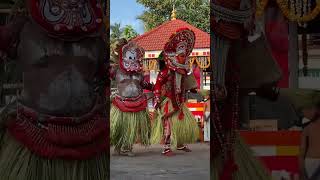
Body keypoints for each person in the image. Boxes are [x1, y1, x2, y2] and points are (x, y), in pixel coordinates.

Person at [0, 0, 108, 179]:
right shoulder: (23, 28)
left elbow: (105, 73)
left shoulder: (97, 33)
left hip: (91, 136)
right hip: (32, 137)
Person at [151, 28, 199, 156]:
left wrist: (192, 88)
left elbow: (188, 84)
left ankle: (179, 144)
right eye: (182, 56)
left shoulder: (183, 71)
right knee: (169, 124)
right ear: (176, 56)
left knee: (181, 123)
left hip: (180, 101)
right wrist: (156, 97)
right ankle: (166, 147)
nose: (185, 59)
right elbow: (157, 84)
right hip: (168, 101)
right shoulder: (166, 71)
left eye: (185, 56)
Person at [110, 41, 153, 156]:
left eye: (134, 57)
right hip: (121, 103)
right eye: (129, 56)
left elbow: (144, 84)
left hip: (137, 102)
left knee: (131, 128)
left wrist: (155, 87)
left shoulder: (139, 73)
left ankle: (127, 147)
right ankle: (119, 146)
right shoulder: (115, 70)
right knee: (120, 127)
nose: (132, 59)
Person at [281, 89, 320, 180]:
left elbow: (301, 153)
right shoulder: (307, 128)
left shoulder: (307, 128)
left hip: (310, 162)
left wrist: (302, 172)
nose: (303, 113)